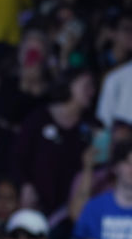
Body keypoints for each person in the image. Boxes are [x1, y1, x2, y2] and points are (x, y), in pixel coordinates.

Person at [13, 67, 100, 216]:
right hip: (37, 203)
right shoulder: (39, 117)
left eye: (93, 87)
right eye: (86, 85)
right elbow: (19, 155)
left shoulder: (93, 125)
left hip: (73, 208)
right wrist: (25, 184)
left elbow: (99, 166)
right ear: (69, 85)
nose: (91, 91)